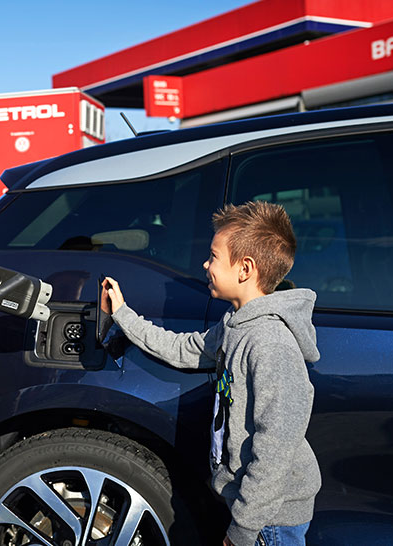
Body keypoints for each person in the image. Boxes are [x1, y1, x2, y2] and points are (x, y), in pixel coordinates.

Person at [101, 201, 321, 546]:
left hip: (270, 519)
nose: (205, 264)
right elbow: (183, 349)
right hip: (252, 510)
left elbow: (274, 448)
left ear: (245, 268)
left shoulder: (270, 343)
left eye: (214, 256)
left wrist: (244, 529)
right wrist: (123, 315)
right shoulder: (235, 326)